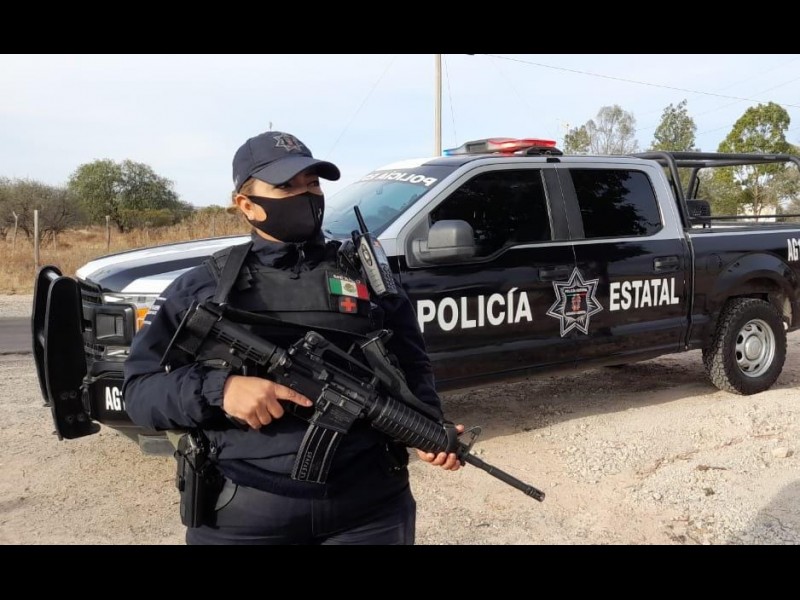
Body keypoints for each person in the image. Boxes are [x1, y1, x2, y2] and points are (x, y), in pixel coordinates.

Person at [122, 130, 462, 545]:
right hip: (243, 514)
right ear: (246, 204)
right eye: (286, 186)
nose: (307, 196)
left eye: (312, 183)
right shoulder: (203, 287)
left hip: (370, 510)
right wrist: (220, 390)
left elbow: (411, 363)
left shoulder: (367, 275)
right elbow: (139, 392)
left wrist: (427, 426)